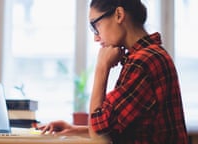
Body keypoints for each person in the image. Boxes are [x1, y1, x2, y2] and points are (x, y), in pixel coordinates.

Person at [38, 0, 189, 143]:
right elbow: (117, 129)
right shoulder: (151, 55)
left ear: (119, 15)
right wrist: (73, 130)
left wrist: (101, 68)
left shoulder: (142, 62)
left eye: (95, 26)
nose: (96, 38)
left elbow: (98, 133)